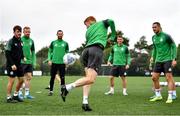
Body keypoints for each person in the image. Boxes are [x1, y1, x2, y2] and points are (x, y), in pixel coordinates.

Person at [61, 16, 116, 111]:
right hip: (96, 50)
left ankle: (85, 102)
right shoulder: (101, 23)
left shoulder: (88, 32)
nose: (86, 27)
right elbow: (111, 21)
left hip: (85, 52)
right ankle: (67, 88)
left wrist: (105, 40)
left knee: (87, 79)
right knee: (91, 79)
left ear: (90, 21)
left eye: (86, 24)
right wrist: (113, 35)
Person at [149, 22, 177, 103]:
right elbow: (154, 48)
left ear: (159, 27)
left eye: (155, 27)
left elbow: (173, 46)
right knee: (154, 78)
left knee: (168, 77)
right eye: (152, 27)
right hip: (158, 60)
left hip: (167, 59)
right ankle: (158, 96)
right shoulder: (153, 37)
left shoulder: (166, 36)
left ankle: (170, 96)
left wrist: (174, 59)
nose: (154, 29)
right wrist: (152, 57)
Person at [5, 25, 24, 103]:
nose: (19, 33)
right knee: (11, 81)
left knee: (21, 80)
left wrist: (23, 57)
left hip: (19, 64)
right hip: (11, 64)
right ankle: (9, 97)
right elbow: (7, 53)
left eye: (20, 31)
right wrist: (12, 64)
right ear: (14, 32)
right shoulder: (11, 41)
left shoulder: (21, 41)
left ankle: (15, 95)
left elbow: (20, 51)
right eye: (17, 31)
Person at [47, 30, 69, 96]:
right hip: (54, 62)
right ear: (57, 34)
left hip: (62, 63)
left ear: (63, 35)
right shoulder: (53, 43)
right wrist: (49, 59)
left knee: (62, 77)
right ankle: (51, 91)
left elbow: (67, 53)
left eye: (61, 34)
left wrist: (67, 62)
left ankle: (62, 91)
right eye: (59, 34)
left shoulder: (65, 43)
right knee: (52, 77)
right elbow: (49, 51)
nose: (60, 35)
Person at [18, 26, 36, 99]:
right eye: (26, 32)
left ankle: (27, 94)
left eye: (29, 32)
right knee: (21, 78)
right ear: (23, 32)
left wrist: (33, 61)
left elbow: (33, 51)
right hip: (21, 62)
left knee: (29, 77)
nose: (28, 33)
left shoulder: (32, 41)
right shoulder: (20, 40)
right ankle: (19, 93)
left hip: (29, 62)